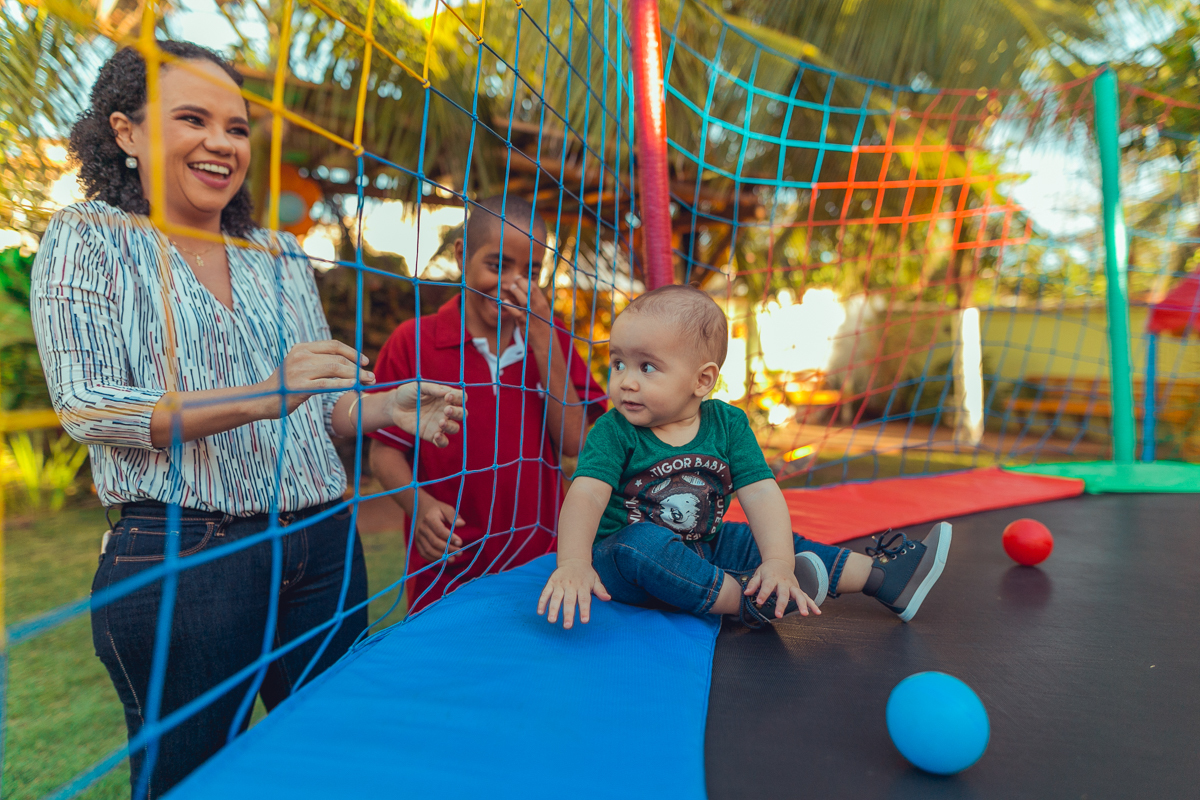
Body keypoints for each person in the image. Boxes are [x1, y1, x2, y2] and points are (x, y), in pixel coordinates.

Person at [31, 41, 463, 798]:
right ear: (126, 133)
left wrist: (379, 409)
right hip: (187, 554)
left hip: (322, 541)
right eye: (193, 119)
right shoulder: (86, 236)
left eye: (236, 127)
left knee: (339, 764)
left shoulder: (280, 255)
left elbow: (313, 409)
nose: (221, 144)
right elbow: (89, 405)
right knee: (194, 780)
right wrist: (267, 392)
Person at [537, 284, 952, 629]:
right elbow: (587, 496)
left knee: (758, 540)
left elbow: (762, 494)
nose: (625, 381)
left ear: (702, 380)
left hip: (705, 545)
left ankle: (883, 578)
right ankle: (744, 601)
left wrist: (778, 563)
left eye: (647, 367)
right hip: (621, 565)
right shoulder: (614, 430)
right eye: (618, 363)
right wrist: (574, 563)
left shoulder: (728, 425)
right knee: (641, 542)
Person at [368, 195, 606, 612]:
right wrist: (418, 505)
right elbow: (384, 453)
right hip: (446, 563)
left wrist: (544, 342)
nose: (513, 284)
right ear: (463, 256)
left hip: (542, 558)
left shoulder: (554, 339)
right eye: (498, 266)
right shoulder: (414, 341)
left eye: (530, 272)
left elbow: (574, 444)